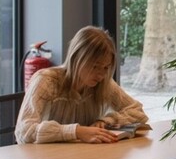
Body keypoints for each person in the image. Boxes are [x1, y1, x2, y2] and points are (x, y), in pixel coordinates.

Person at [15, 26, 150, 144]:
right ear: (77, 59)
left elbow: (138, 112)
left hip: (82, 158)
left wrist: (107, 121)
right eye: (95, 66)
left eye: (105, 68)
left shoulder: (103, 83)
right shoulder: (46, 81)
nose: (101, 75)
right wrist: (76, 131)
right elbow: (23, 131)